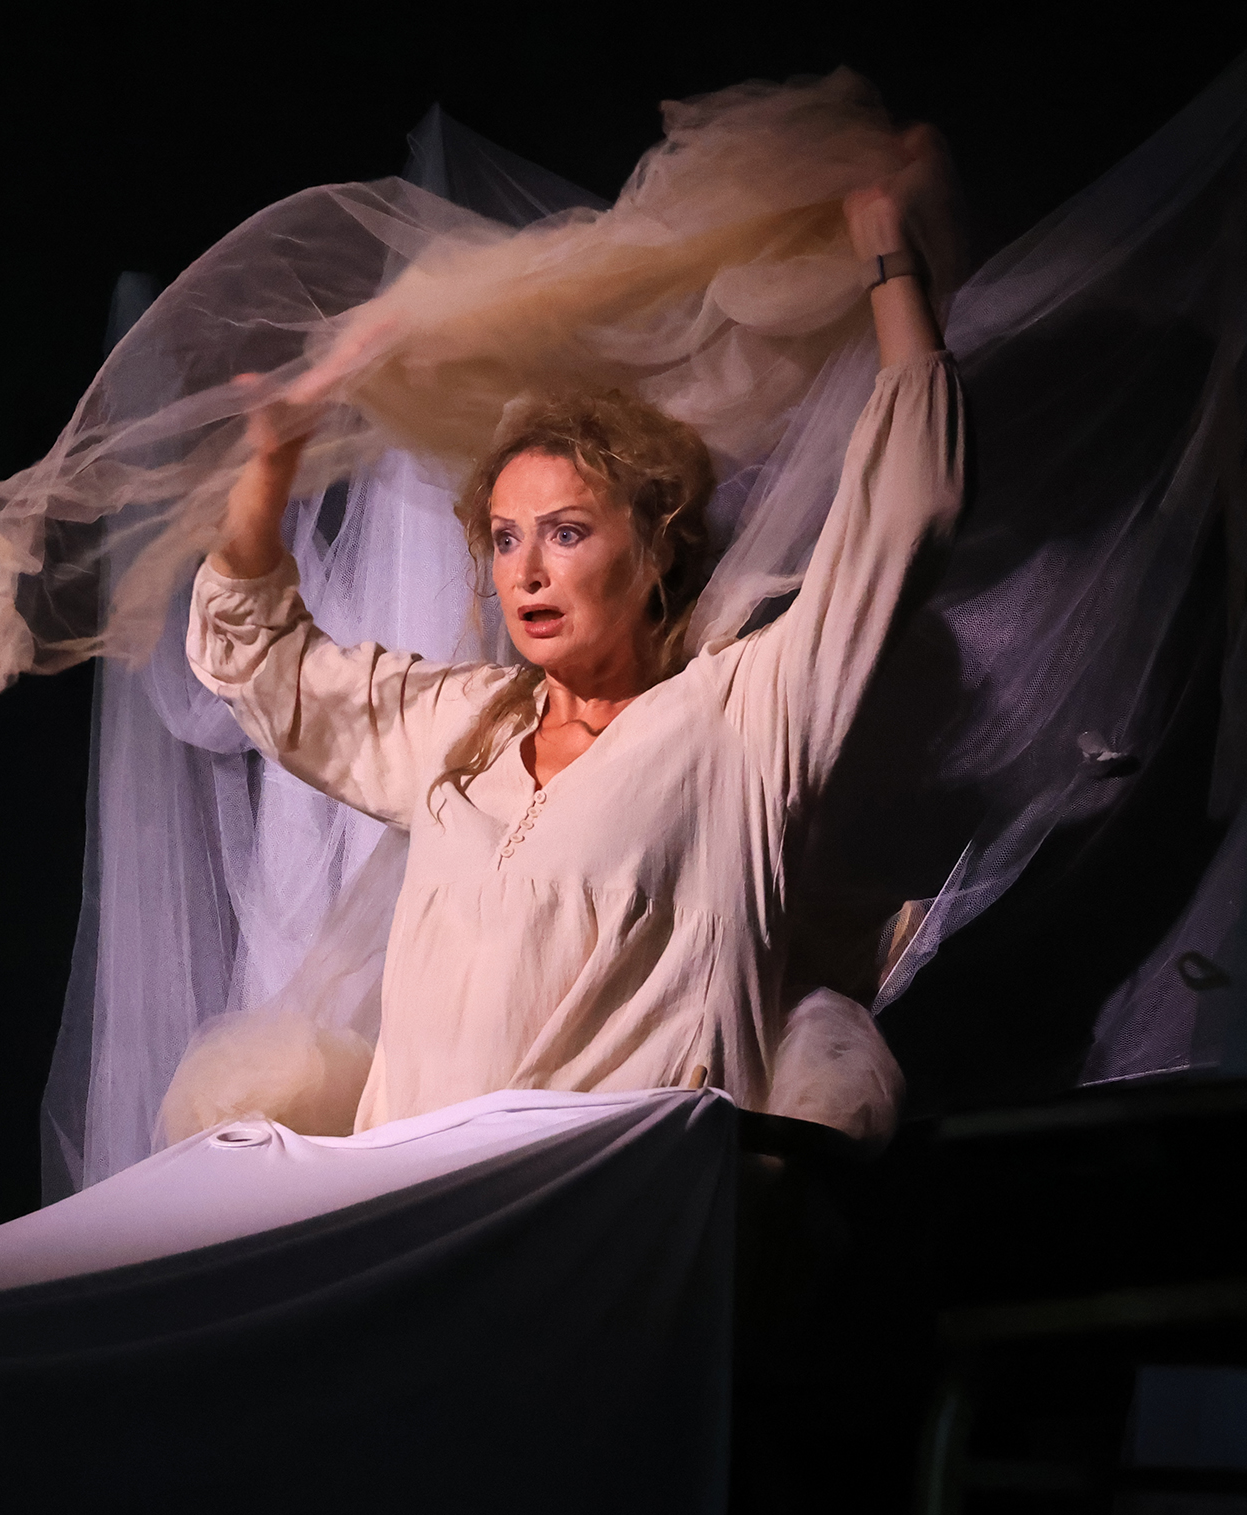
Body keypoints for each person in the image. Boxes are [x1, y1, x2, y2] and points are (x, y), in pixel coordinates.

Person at [166, 132, 964, 1152]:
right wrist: (271, 462)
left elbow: (910, 507)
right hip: (425, 1195)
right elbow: (259, 660)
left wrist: (885, 255)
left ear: (655, 547)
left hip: (604, 1199)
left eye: (567, 532)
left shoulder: (742, 717)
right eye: (505, 539)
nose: (526, 570)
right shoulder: (459, 726)